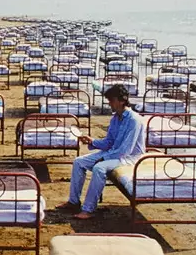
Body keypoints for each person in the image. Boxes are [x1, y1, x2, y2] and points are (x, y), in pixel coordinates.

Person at [56, 83, 146, 220]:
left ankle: (88, 209)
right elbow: (109, 142)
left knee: (99, 168)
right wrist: (92, 141)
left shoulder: (134, 120)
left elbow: (125, 150)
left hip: (129, 158)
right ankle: (73, 202)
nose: (109, 103)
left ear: (122, 101)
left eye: (112, 100)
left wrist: (104, 158)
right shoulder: (115, 118)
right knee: (78, 162)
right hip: (115, 153)